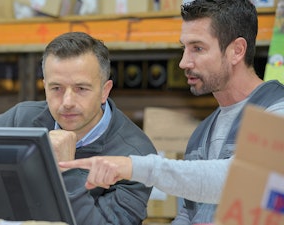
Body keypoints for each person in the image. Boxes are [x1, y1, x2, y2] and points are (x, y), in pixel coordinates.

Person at [59, 0, 284, 224]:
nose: (184, 62)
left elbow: (238, 180)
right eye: (184, 48)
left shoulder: (276, 111)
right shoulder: (202, 133)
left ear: (237, 50)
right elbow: (190, 213)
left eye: (198, 48)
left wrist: (133, 166)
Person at [0, 31, 158, 225]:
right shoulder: (20, 121)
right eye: (56, 88)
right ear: (45, 87)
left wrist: (67, 170)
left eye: (81, 89)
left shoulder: (136, 155)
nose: (67, 102)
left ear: (104, 91)